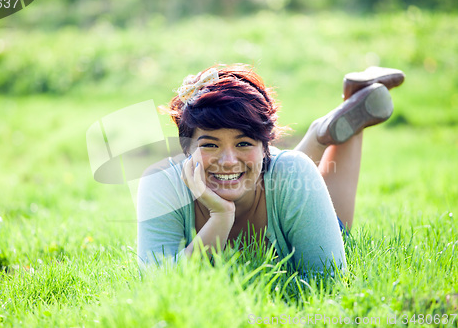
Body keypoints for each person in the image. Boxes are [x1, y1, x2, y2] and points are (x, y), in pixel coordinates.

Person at [137, 64, 404, 274]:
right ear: (186, 148)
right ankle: (324, 128)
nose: (228, 160)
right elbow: (155, 283)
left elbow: (329, 279)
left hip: (285, 175)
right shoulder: (162, 184)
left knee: (338, 228)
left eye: (243, 142)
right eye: (210, 145)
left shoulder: (294, 172)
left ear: (266, 146)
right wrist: (220, 217)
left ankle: (353, 101)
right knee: (278, 172)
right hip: (273, 174)